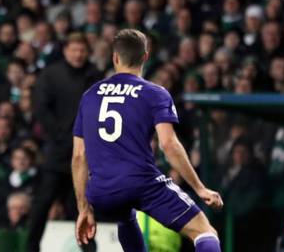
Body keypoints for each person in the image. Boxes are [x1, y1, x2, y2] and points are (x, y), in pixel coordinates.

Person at [72, 29, 224, 252]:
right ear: (145, 56)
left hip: (101, 192)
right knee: (205, 232)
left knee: (125, 216)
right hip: (141, 182)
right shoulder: (155, 93)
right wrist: (199, 188)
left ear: (115, 57)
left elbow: (78, 156)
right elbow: (169, 145)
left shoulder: (90, 95)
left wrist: (83, 208)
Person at [26, 32, 102, 251]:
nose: (78, 54)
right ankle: (31, 248)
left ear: (87, 52)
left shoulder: (94, 75)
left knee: (81, 206)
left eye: (82, 50)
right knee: (42, 205)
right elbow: (40, 108)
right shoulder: (50, 75)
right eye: (74, 49)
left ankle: (90, 248)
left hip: (85, 154)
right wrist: (60, 135)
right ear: (66, 50)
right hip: (58, 152)